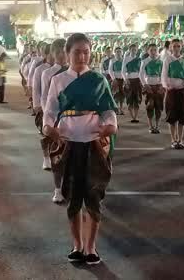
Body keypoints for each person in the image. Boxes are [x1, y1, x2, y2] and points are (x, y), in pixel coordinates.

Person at [43, 33, 118, 266]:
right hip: (68, 143)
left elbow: (108, 110)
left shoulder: (98, 79)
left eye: (86, 51)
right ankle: (77, 245)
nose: (82, 56)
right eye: (77, 51)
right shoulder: (58, 80)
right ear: (67, 53)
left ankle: (91, 246)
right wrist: (49, 128)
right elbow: (50, 110)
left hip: (93, 142)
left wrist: (111, 126)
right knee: (73, 195)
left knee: (93, 195)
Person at [39, 39, 68, 202]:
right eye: (58, 53)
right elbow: (45, 97)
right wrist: (47, 119)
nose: (62, 56)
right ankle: (58, 189)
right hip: (56, 118)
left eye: (64, 52)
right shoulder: (48, 73)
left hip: (74, 119)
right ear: (52, 54)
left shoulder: (76, 72)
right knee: (57, 154)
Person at [162, 38, 184, 149]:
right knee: (172, 115)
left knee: (182, 115)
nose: (176, 48)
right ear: (170, 47)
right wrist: (166, 85)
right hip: (172, 91)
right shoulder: (167, 59)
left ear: (181, 47)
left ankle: (180, 139)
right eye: (174, 46)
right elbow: (164, 74)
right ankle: (173, 139)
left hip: (182, 90)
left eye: (178, 46)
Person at [140, 44, 164, 134]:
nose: (153, 52)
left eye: (155, 50)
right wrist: (145, 85)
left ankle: (157, 126)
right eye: (151, 50)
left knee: (159, 106)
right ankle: (150, 126)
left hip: (159, 86)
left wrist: (162, 85)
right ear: (148, 51)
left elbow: (163, 74)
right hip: (149, 86)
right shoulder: (145, 61)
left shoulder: (161, 61)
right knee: (149, 106)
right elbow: (141, 74)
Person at [121, 43, 143, 124]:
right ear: (129, 50)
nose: (134, 51)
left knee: (137, 99)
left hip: (137, 80)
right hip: (129, 81)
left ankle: (136, 117)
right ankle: (132, 116)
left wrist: (141, 80)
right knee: (129, 99)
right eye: (132, 49)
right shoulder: (126, 59)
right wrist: (126, 79)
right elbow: (123, 70)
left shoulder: (139, 59)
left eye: (135, 49)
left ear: (137, 50)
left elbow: (141, 71)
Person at [108, 47, 125, 114]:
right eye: (117, 52)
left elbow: (126, 70)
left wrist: (125, 78)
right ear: (115, 53)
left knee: (122, 95)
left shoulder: (124, 60)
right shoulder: (112, 60)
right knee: (116, 95)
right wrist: (114, 79)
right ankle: (116, 108)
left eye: (120, 52)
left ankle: (121, 108)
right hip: (115, 80)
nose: (118, 53)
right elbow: (110, 70)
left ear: (122, 52)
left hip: (123, 80)